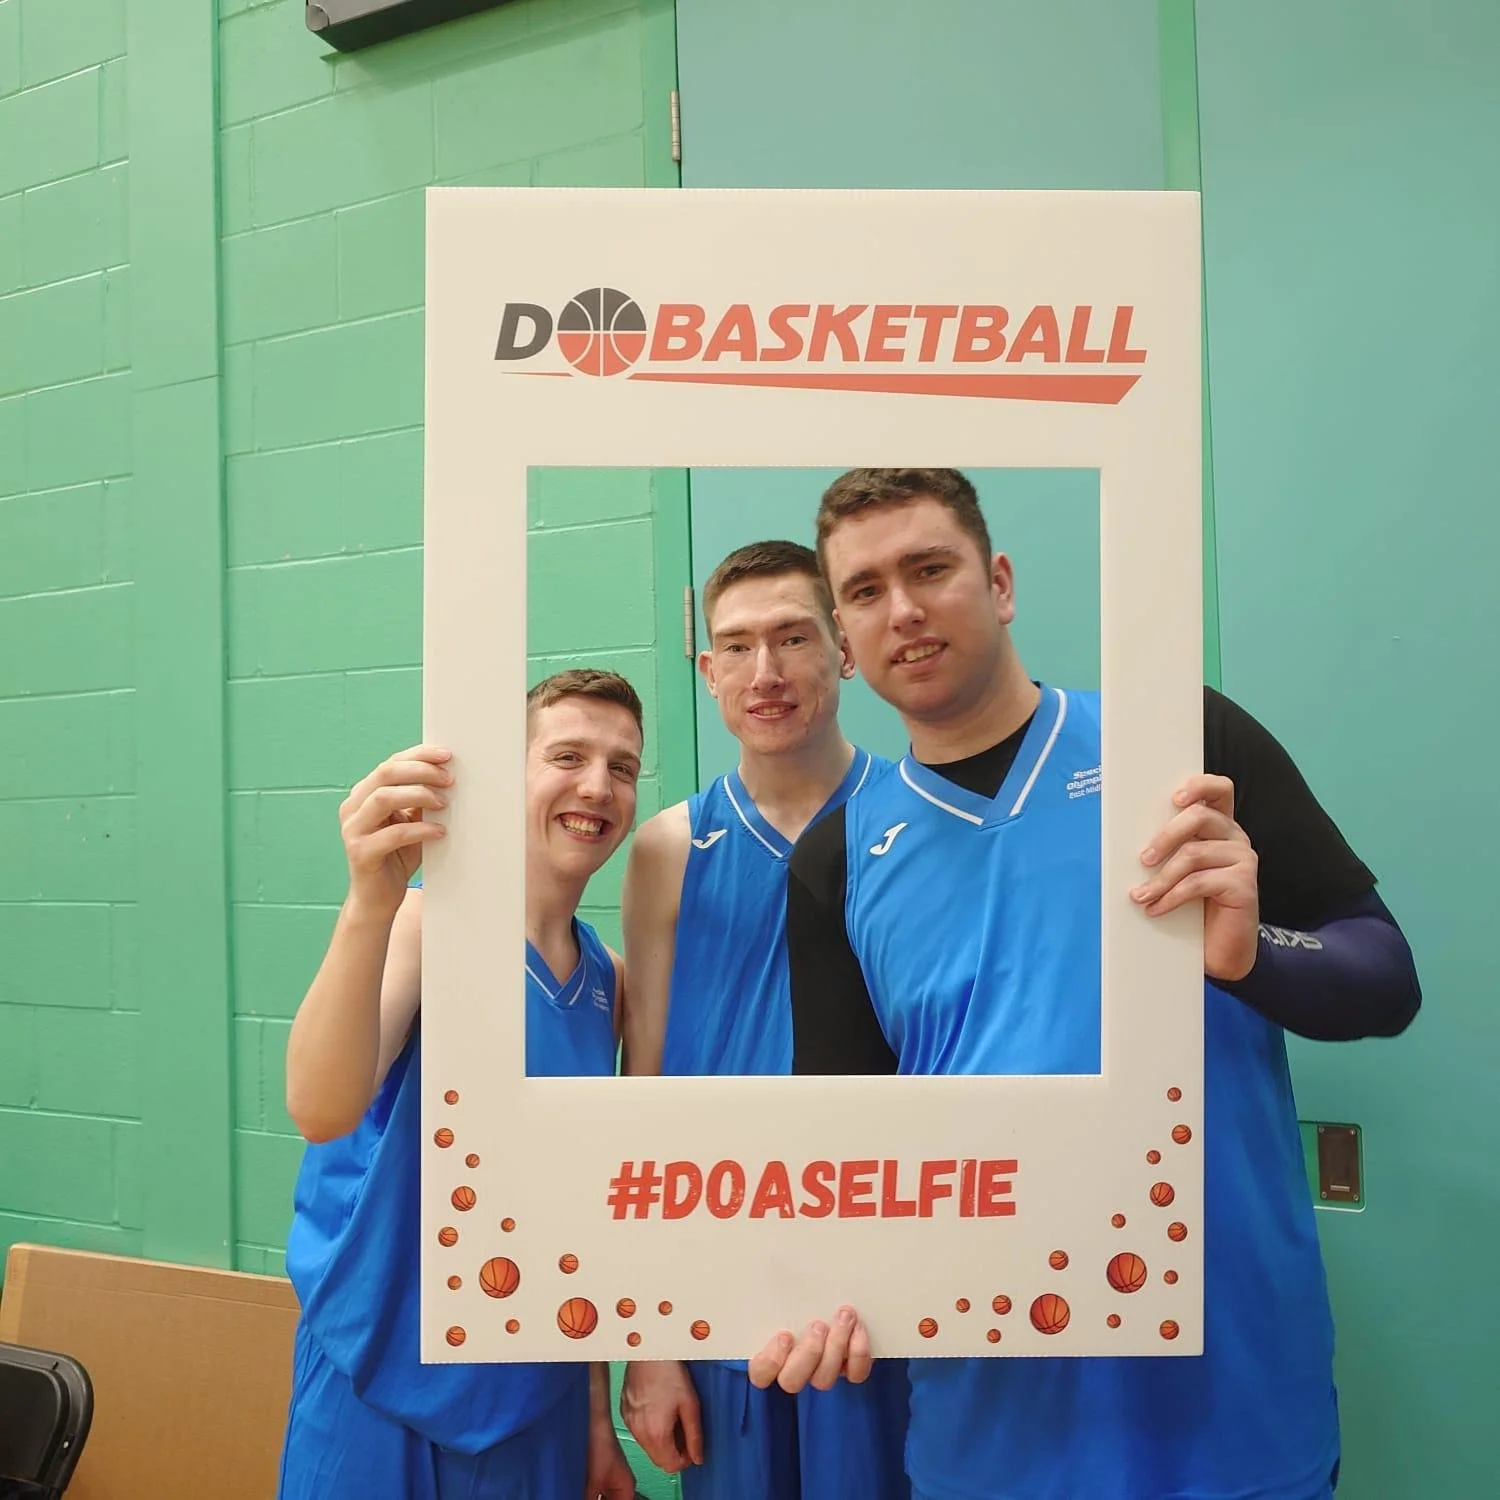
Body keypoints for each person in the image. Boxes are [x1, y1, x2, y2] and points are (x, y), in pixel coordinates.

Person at [756, 469, 1421, 1500]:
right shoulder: (834, 860)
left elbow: (1386, 979)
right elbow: (842, 1149)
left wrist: (1253, 955)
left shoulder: (1180, 743)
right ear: (843, 637)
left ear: (1002, 580)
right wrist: (814, 1292)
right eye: (867, 590)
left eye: (931, 568)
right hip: (996, 1424)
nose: (906, 609)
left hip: (1237, 1393)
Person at [277, 669, 642, 1500]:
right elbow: (318, 1108)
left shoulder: (607, 984)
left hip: (531, 1394)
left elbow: (574, 1224)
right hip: (380, 1373)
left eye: (622, 767)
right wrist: (369, 897)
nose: (596, 785)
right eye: (568, 755)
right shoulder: (419, 923)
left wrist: (595, 1420)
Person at [618, 540, 910, 1500]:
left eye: (793, 638)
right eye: (736, 647)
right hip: (724, 1277)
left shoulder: (922, 823)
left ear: (844, 653)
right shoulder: (667, 847)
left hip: (890, 1272)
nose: (767, 673)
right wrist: (653, 1347)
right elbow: (644, 1099)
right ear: (707, 673)